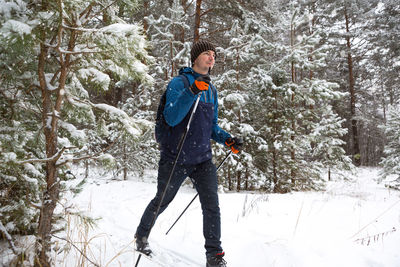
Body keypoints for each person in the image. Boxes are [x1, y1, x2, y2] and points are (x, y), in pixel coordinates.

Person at [134, 40, 243, 267]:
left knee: (211, 206)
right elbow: (171, 117)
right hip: (175, 158)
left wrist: (227, 139)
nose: (211, 57)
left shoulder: (212, 90)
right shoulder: (179, 83)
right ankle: (141, 236)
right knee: (162, 201)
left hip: (202, 159)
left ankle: (214, 255)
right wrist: (192, 91)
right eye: (206, 53)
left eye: (213, 54)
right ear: (195, 58)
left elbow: (211, 126)